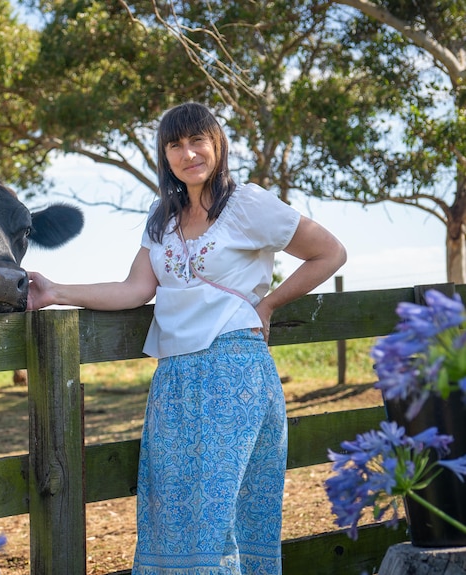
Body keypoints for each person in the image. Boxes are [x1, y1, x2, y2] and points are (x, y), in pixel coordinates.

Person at [26, 102, 347, 575]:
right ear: (165, 156)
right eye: (174, 145)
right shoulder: (163, 217)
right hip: (174, 378)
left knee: (220, 515)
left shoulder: (247, 204)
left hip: (233, 369)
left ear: (217, 144)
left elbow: (330, 252)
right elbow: (135, 289)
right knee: (172, 513)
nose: (187, 152)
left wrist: (269, 303)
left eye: (197, 140)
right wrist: (57, 291)